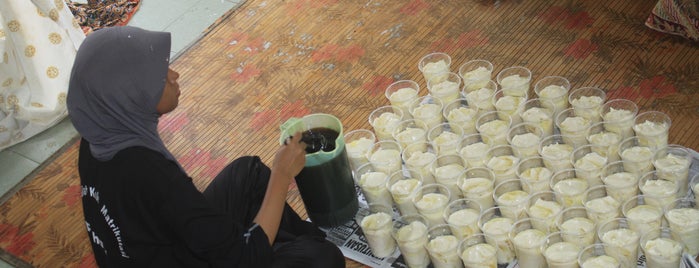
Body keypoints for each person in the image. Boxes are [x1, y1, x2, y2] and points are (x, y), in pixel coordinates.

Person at [66, 26, 345, 267]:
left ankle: (279, 243)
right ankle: (280, 247)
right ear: (130, 95)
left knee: (247, 173)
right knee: (322, 258)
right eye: (160, 76)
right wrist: (283, 175)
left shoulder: (97, 139)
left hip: (168, 248)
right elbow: (244, 260)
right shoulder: (152, 175)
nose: (174, 75)